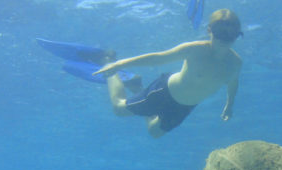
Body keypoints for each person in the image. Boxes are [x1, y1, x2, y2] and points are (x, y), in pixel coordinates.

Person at [94, 9, 243, 138]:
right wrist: (119, 64)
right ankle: (109, 62)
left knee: (154, 132)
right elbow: (158, 58)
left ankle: (136, 86)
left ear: (237, 35)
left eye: (230, 34)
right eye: (220, 32)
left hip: (185, 106)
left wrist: (229, 105)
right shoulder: (194, 49)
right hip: (164, 92)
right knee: (119, 109)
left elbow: (233, 83)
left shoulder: (235, 63)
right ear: (209, 30)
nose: (224, 39)